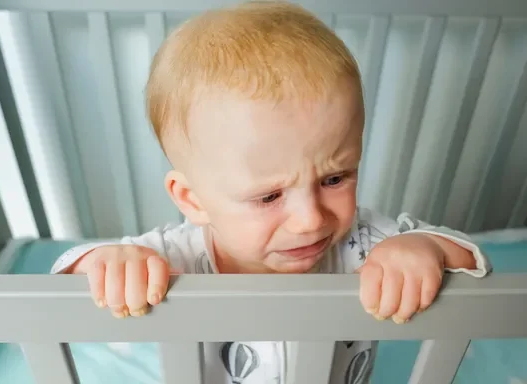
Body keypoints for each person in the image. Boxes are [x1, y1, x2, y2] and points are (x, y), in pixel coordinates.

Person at [50, 1, 491, 382]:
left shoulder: (362, 241)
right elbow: (65, 280)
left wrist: (422, 247)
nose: (311, 219)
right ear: (192, 200)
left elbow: (470, 259)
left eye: (334, 179)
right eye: (268, 197)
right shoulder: (173, 258)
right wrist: (106, 263)